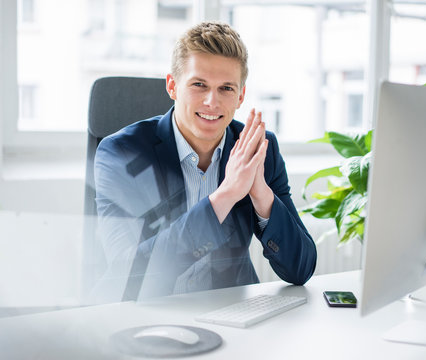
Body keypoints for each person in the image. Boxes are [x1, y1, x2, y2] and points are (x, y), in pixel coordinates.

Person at [93, 21, 316, 302]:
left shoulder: (258, 150)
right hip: (148, 314)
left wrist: (260, 192)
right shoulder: (122, 153)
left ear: (241, 95)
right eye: (199, 85)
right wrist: (226, 195)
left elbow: (301, 269)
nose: (212, 101)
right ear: (173, 86)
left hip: (229, 313)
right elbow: (130, 273)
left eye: (226, 88)